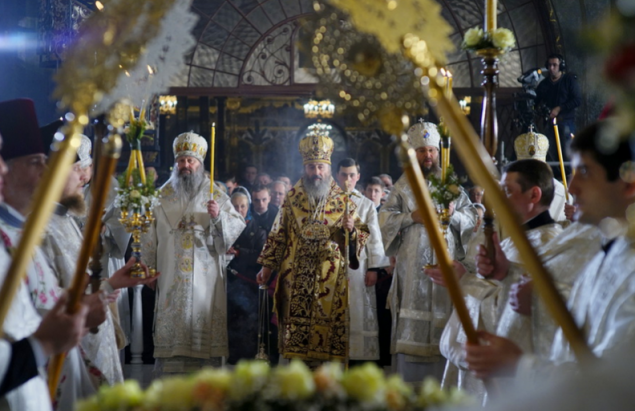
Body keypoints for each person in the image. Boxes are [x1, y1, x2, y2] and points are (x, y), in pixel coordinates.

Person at [463, 121, 635, 386]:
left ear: (629, 183)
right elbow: (577, 302)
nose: (573, 186)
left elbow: (616, 379)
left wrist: (519, 367)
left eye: (585, 171)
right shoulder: (593, 236)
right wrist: (508, 273)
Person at [432, 159, 562, 402]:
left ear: (534, 194)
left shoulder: (547, 245)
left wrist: (465, 280)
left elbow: (519, 314)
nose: (499, 199)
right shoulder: (519, 238)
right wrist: (489, 275)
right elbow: (503, 286)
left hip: (517, 380)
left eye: (508, 191)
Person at [256, 130, 369, 364]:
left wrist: (351, 231)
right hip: (294, 276)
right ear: (304, 168)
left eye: (320, 167)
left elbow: (361, 233)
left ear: (328, 169)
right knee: (295, 339)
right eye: (311, 167)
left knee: (327, 336)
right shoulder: (292, 197)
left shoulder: (343, 199)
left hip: (329, 277)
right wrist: (267, 267)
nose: (316, 172)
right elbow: (278, 234)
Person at [378, 121, 477, 382]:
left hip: (446, 264)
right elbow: (384, 218)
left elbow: (472, 217)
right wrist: (412, 216)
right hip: (412, 267)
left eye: (431, 151)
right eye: (422, 151)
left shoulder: (451, 185)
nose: (428, 156)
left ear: (437, 153)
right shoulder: (402, 185)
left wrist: (455, 215)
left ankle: (445, 381)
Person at [142, 131, 245, 374]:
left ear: (199, 164)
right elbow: (147, 235)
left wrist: (217, 217)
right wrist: (147, 267)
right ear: (175, 163)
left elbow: (234, 229)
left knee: (204, 344)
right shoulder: (160, 197)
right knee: (172, 349)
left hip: (206, 280)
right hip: (170, 275)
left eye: (191, 161)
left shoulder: (216, 196)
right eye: (181, 160)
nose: (185, 165)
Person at [336, 158, 390, 364]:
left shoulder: (366, 204)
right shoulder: (327, 201)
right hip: (331, 266)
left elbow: (374, 237)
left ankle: (358, 359)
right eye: (343, 175)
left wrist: (375, 268)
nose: (347, 179)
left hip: (358, 268)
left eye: (352, 175)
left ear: (358, 177)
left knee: (359, 309)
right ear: (337, 175)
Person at [226, 191, 268, 364]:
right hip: (229, 282)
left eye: (242, 206)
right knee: (231, 321)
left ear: (248, 207)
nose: (239, 209)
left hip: (249, 282)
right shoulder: (225, 228)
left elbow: (261, 255)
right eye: (235, 206)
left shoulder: (258, 230)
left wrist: (238, 252)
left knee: (248, 321)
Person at [514, 126, 572, 223]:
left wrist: (572, 218)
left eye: (536, 167)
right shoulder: (508, 190)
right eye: (526, 168)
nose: (531, 172)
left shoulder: (562, 194)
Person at [535, 53, 581, 161]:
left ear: (561, 66)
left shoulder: (569, 81)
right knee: (550, 152)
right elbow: (535, 101)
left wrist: (559, 108)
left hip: (566, 123)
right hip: (549, 123)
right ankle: (556, 175)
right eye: (549, 65)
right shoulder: (544, 84)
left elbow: (577, 100)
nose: (551, 68)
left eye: (554, 65)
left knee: (567, 153)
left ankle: (568, 175)